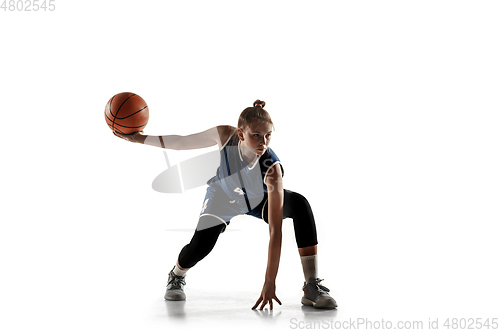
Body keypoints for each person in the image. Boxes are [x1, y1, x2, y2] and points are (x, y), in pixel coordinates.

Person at [113, 100, 337, 310]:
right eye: (256, 135)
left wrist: (270, 281)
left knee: (299, 204)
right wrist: (138, 138)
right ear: (241, 133)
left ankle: (311, 286)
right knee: (200, 246)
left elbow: (275, 230)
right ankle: (177, 275)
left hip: (258, 200)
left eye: (268, 135)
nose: (263, 142)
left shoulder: (272, 169)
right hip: (223, 196)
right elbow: (181, 142)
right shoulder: (224, 135)